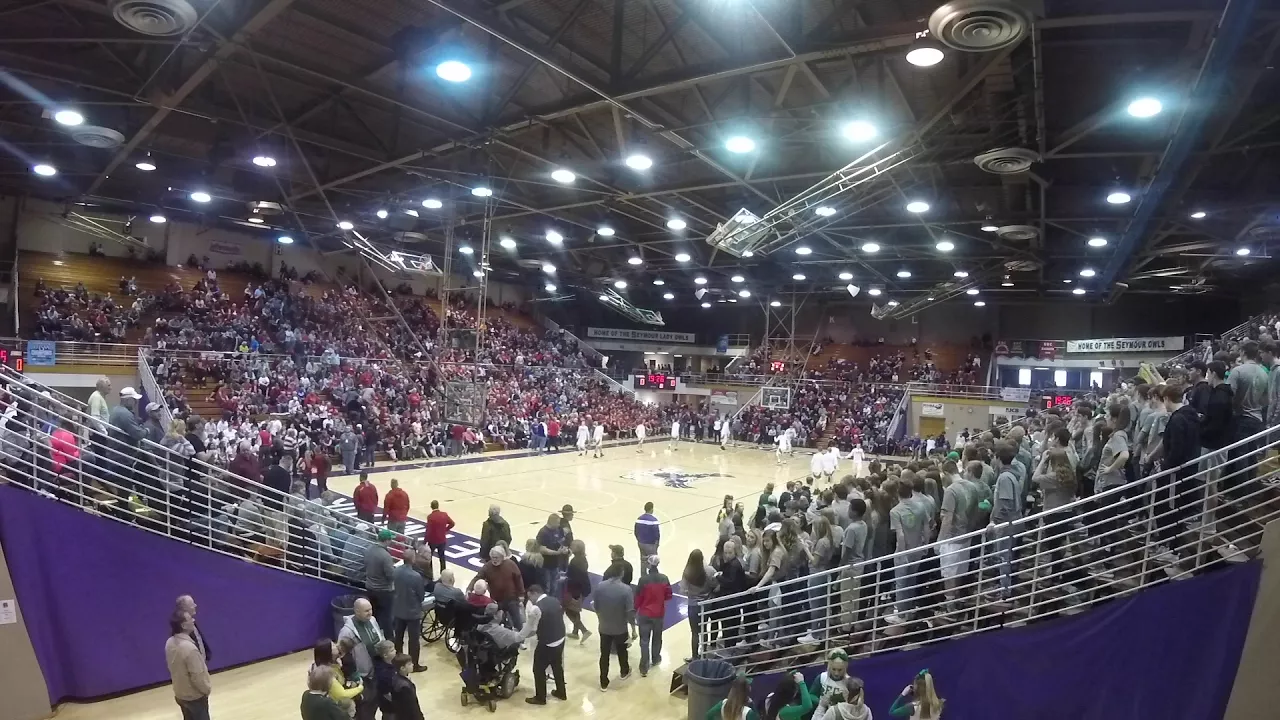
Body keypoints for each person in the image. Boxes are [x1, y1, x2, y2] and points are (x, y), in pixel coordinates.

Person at [337, 598, 385, 720]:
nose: (370, 613)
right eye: (366, 611)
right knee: (365, 705)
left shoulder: (372, 620)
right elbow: (341, 655)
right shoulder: (347, 632)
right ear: (356, 611)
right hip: (362, 675)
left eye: (371, 609)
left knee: (375, 700)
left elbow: (379, 637)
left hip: (377, 669)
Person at [520, 584, 568, 705]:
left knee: (538, 669)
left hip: (547, 642)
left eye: (530, 597)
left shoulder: (536, 608)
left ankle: (540, 697)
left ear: (535, 593)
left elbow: (532, 629)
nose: (530, 600)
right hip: (560, 638)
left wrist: (519, 637)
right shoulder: (555, 600)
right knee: (557, 666)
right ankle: (561, 692)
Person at [594, 564, 634, 690]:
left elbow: (596, 606)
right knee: (622, 651)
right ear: (621, 573)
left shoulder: (600, 586)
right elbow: (629, 612)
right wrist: (633, 628)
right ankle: (624, 671)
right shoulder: (626, 590)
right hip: (620, 628)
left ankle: (603, 681)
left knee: (604, 654)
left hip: (604, 627)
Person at [166, 611, 212, 720]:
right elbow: (197, 676)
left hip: (180, 694)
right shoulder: (190, 649)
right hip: (194, 697)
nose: (193, 620)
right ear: (183, 625)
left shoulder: (169, 642)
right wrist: (207, 690)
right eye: (190, 619)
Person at [469, 546, 526, 630]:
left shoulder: (511, 564)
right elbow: (478, 577)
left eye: (496, 557)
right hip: (496, 600)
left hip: (511, 599)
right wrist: (469, 588)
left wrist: (521, 594)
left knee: (517, 620)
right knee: (496, 620)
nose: (494, 560)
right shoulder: (488, 566)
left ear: (502, 557)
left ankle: (520, 640)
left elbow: (518, 578)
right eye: (492, 558)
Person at [391, 548, 429, 673]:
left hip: (398, 609)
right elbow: (421, 596)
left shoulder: (396, 571)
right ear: (413, 559)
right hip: (413, 613)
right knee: (413, 640)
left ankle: (398, 660)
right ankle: (414, 664)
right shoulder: (416, 576)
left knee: (398, 637)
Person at [634, 555, 672, 677]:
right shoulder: (664, 579)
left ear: (649, 565)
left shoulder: (643, 580)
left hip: (644, 613)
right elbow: (669, 595)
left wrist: (634, 610)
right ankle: (655, 658)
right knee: (657, 637)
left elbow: (638, 598)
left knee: (644, 640)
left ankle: (644, 667)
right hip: (658, 614)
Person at [681, 549, 718, 660]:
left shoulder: (687, 572)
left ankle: (694, 656)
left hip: (693, 605)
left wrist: (691, 593)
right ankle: (705, 653)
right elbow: (717, 586)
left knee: (695, 633)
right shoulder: (710, 570)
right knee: (705, 629)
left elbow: (683, 590)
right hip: (706, 604)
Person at [311, 639, 363, 716]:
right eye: (333, 646)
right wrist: (360, 688)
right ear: (328, 652)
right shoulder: (325, 673)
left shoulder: (335, 662)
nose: (337, 646)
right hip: (335, 708)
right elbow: (342, 694)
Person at [364, 529, 396, 632]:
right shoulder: (385, 556)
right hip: (383, 591)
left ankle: (374, 635)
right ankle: (389, 640)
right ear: (386, 540)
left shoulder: (368, 549)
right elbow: (390, 575)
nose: (391, 541)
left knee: (373, 616)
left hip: (370, 588)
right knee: (387, 617)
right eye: (390, 539)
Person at [564, 539, 592, 643]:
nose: (570, 546)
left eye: (573, 545)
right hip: (582, 589)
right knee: (575, 610)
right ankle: (575, 632)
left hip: (576, 590)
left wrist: (566, 578)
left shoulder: (575, 561)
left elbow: (576, 579)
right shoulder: (582, 559)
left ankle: (584, 630)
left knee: (568, 609)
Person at [385, 654, 424, 720]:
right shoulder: (404, 687)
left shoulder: (395, 678)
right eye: (409, 664)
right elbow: (411, 706)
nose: (412, 664)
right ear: (402, 668)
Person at [175, 595, 211, 664]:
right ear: (184, 608)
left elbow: (199, 639)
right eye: (192, 604)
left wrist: (206, 655)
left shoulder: (192, 622)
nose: (195, 605)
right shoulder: (181, 629)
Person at [425, 499, 454, 574]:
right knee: (442, 557)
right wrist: (445, 530)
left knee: (429, 557)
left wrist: (425, 541)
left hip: (433, 540)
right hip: (442, 540)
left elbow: (428, 530)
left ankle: (430, 573)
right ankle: (443, 573)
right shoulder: (444, 514)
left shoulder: (430, 517)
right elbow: (452, 523)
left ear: (431, 507)